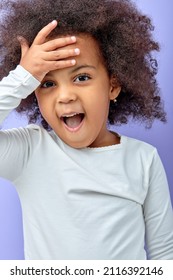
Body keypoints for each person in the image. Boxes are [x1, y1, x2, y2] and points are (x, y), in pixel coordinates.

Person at [0, 0, 173, 260]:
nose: (65, 96)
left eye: (81, 77)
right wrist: (24, 75)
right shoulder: (29, 153)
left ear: (113, 85)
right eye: (46, 83)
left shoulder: (143, 159)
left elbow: (164, 252)